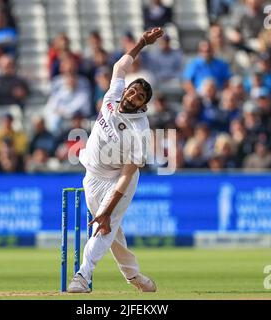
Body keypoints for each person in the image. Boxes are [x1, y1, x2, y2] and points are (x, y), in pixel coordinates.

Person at [67, 27, 164, 293]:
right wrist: (142, 42)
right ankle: (135, 277)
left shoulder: (140, 129)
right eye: (133, 91)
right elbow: (120, 66)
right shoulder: (112, 96)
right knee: (112, 233)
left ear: (143, 106)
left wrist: (109, 209)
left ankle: (82, 277)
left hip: (118, 179)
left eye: (140, 97)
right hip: (92, 173)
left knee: (104, 226)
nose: (133, 96)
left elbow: (129, 172)